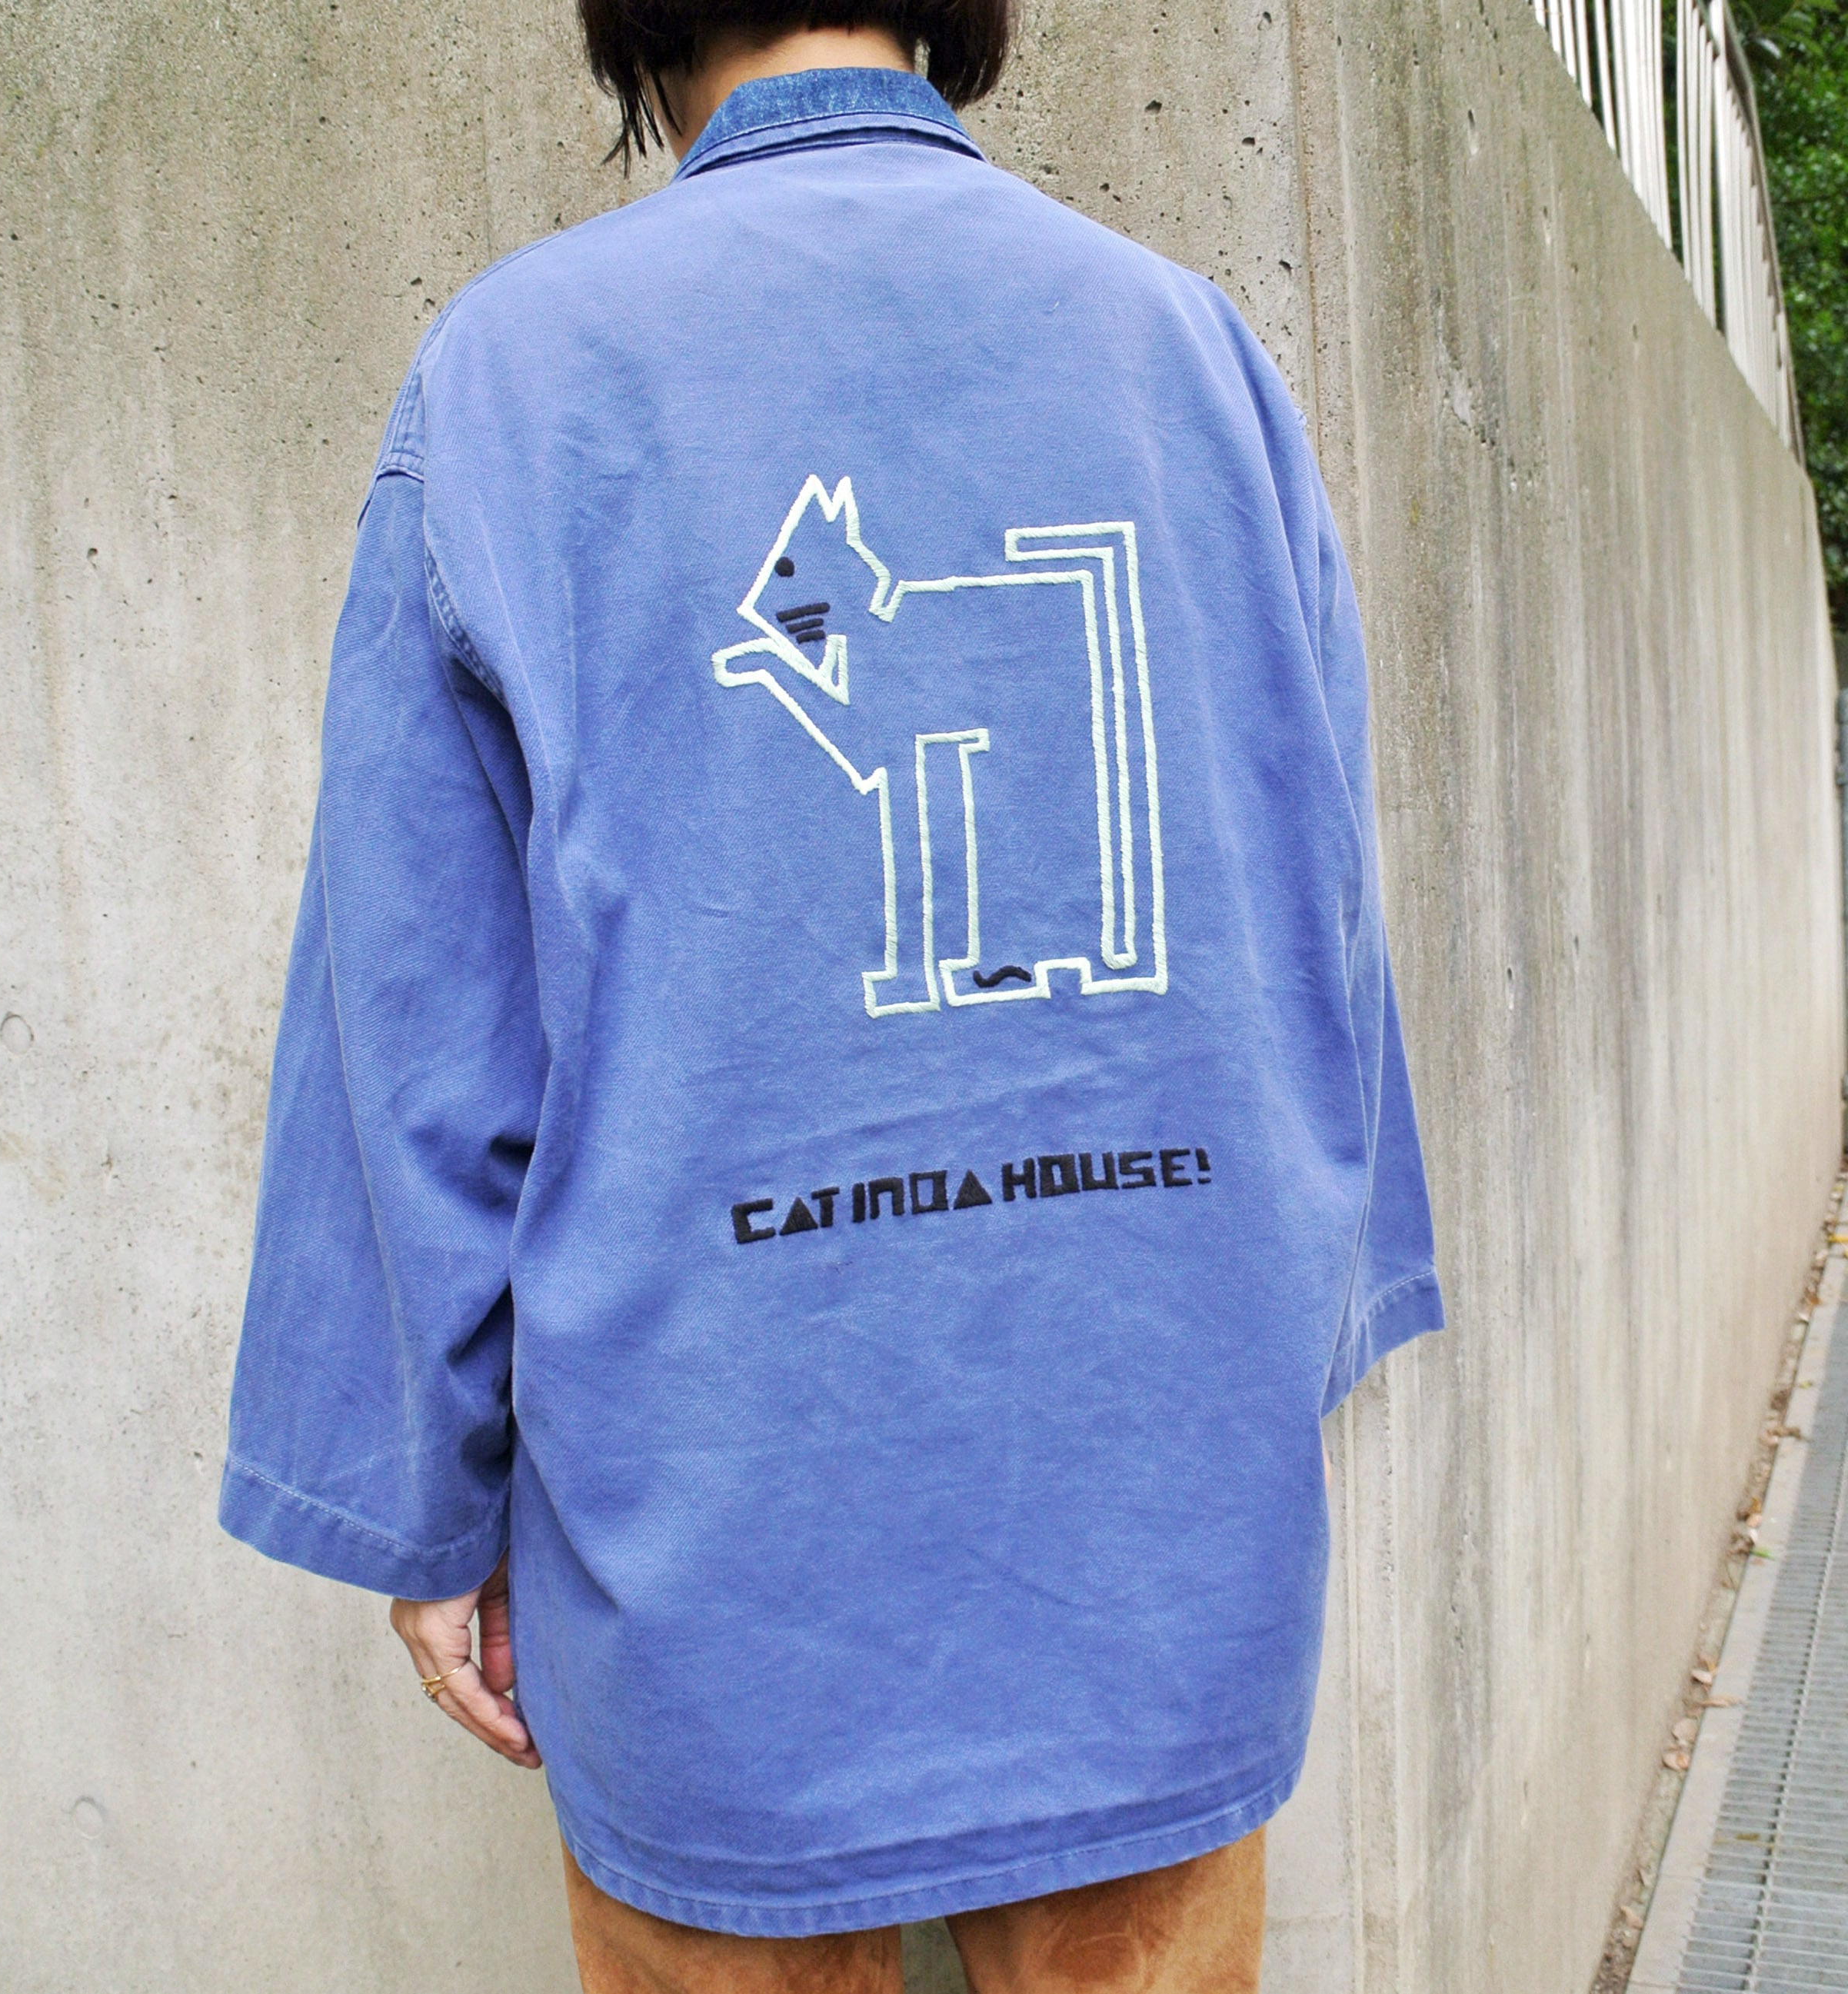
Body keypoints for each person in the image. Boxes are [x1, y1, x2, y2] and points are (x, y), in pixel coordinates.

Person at [220, 2, 1444, 1987]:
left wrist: (426, 1502)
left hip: (709, 1542)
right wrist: (1302, 1327)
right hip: (1149, 1519)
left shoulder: (516, 381)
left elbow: (417, 1022)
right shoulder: (1188, 353)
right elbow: (1321, 916)